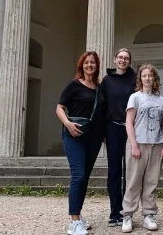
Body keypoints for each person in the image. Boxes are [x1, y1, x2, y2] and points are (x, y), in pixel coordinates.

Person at [56, 51, 106, 235]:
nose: (89, 65)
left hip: (93, 137)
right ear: (81, 65)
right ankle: (74, 221)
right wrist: (68, 124)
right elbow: (60, 107)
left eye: (93, 63)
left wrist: (104, 135)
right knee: (78, 174)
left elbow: (102, 113)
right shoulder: (74, 85)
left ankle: (78, 215)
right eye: (86, 62)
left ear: (96, 66)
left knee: (84, 177)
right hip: (74, 135)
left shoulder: (100, 88)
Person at [121, 64, 163, 233]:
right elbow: (129, 122)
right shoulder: (135, 97)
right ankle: (127, 215)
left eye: (150, 75)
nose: (147, 78)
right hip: (138, 143)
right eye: (144, 75)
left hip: (155, 145)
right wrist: (133, 144)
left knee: (151, 182)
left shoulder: (161, 100)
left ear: (155, 78)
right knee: (133, 181)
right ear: (140, 78)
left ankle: (149, 214)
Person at [100, 48, 137, 227]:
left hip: (133, 130)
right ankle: (115, 212)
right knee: (114, 172)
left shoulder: (135, 79)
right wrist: (102, 133)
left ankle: (127, 211)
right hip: (113, 129)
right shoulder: (107, 81)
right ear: (115, 60)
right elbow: (102, 106)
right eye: (120, 58)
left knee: (130, 172)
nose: (123, 60)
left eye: (126, 58)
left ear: (129, 61)